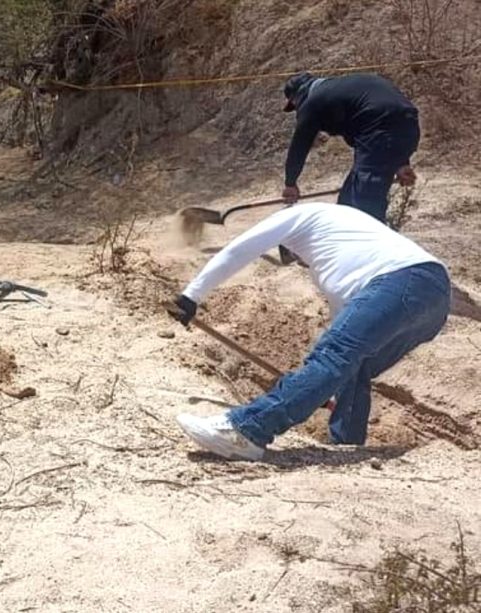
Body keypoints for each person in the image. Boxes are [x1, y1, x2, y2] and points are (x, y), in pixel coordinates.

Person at [170, 202, 449, 460]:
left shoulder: (297, 216)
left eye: (290, 255)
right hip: (435, 295)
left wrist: (191, 296)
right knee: (352, 365)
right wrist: (318, 389)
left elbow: (240, 249)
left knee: (334, 356)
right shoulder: (344, 237)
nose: (297, 262)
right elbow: (346, 334)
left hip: (401, 280)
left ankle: (247, 430)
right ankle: (346, 446)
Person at [281, 72, 420, 223]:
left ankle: (370, 242)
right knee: (348, 202)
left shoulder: (312, 102)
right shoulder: (341, 90)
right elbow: (388, 113)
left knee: (362, 202)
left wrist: (290, 183)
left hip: (378, 134)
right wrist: (401, 162)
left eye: (294, 107)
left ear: (297, 97)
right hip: (410, 125)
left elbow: (299, 146)